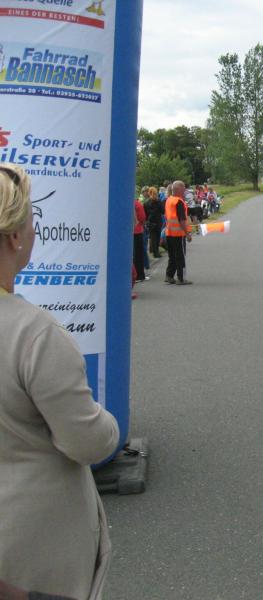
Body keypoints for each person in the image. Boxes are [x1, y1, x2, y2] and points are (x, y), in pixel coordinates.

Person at [0, 163, 120, 599]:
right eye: (32, 219)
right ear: (16, 237)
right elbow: (87, 442)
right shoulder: (34, 334)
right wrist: (108, 423)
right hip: (31, 552)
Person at [164, 180, 193, 285]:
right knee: (180, 256)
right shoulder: (179, 202)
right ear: (178, 189)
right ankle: (181, 278)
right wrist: (187, 233)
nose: (185, 190)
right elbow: (182, 220)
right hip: (178, 234)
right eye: (183, 188)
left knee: (172, 256)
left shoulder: (169, 200)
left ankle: (169, 275)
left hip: (169, 232)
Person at [145, 186, 163, 258]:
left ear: (149, 193)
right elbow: (163, 211)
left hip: (150, 222)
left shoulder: (146, 203)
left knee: (152, 237)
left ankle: (153, 251)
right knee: (157, 237)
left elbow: (145, 214)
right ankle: (156, 252)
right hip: (158, 221)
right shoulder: (159, 202)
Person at [133, 195, 147, 283]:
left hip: (128, 232)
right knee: (139, 254)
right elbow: (142, 217)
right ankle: (139, 275)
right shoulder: (137, 204)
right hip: (137, 231)